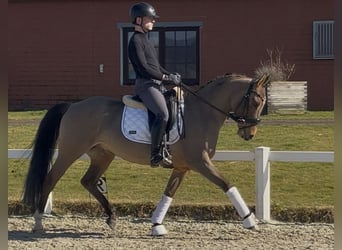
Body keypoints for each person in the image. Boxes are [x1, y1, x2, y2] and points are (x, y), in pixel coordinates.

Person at [128, 2, 181, 168]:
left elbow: (156, 67)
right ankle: (155, 154)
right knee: (162, 114)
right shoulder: (136, 41)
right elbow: (144, 68)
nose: (153, 21)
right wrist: (165, 77)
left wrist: (171, 75)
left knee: (175, 103)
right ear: (139, 20)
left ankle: (168, 146)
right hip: (146, 85)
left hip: (156, 84)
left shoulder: (146, 40)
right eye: (150, 18)